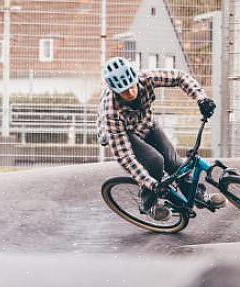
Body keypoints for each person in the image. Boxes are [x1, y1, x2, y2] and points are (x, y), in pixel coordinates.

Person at [97, 56, 226, 221]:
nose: (130, 93)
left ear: (136, 78)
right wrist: (151, 184)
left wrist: (200, 98)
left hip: (147, 124)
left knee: (175, 163)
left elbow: (180, 77)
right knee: (154, 161)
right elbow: (125, 157)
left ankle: (198, 196)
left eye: (131, 87)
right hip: (126, 133)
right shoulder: (111, 112)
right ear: (114, 91)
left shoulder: (146, 78)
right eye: (123, 91)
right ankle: (148, 204)